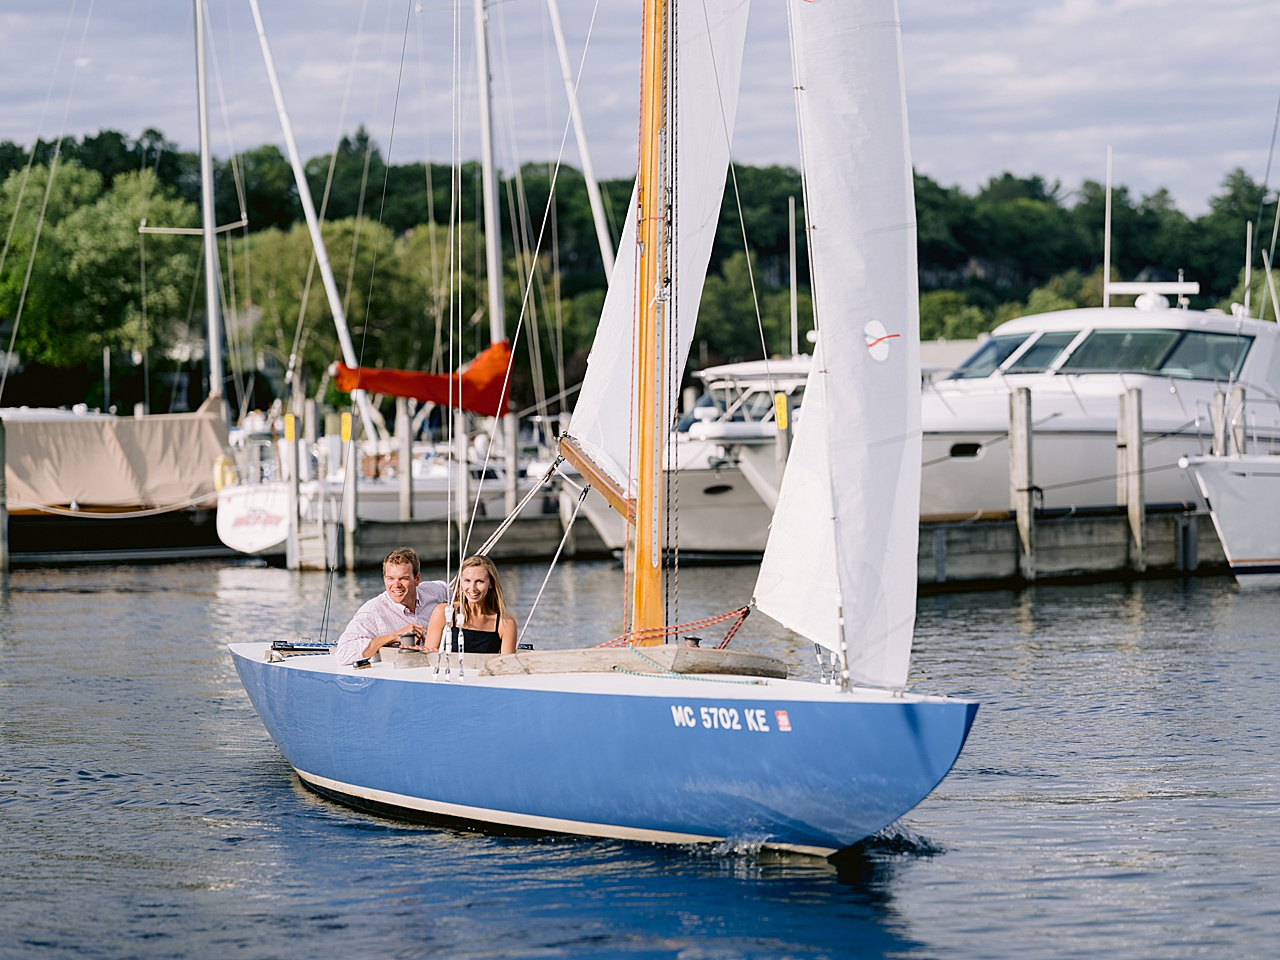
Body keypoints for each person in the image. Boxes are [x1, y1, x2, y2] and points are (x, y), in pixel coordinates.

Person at [335, 547, 450, 665]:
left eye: (403, 578)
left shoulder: (436, 590)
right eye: (390, 578)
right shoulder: (372, 612)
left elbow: (463, 598)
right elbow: (342, 653)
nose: (396, 585)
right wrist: (394, 636)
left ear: (417, 579)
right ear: (384, 579)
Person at [422, 554, 517, 655]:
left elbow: (506, 666)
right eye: (467, 581)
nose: (472, 588)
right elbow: (429, 658)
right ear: (461, 582)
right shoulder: (444, 613)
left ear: (491, 583)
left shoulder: (506, 623)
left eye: (479, 581)